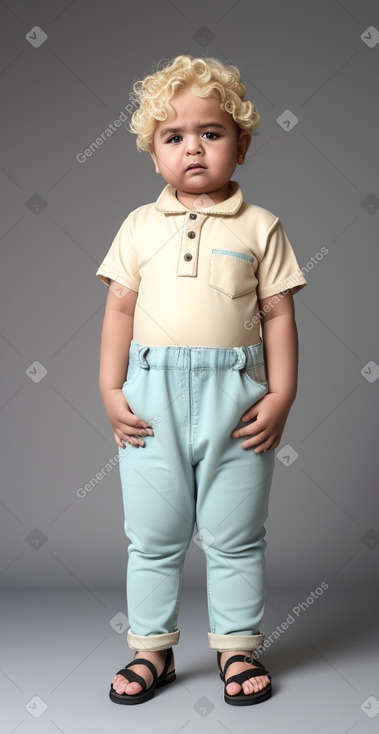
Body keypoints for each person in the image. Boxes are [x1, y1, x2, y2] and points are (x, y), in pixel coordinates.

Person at [96, 54, 307, 707]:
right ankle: (151, 650)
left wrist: (280, 394)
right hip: (151, 396)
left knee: (235, 531)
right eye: (174, 136)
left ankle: (236, 647)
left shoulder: (259, 227)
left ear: (240, 145)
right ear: (153, 152)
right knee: (153, 535)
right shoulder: (138, 226)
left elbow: (277, 315)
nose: (193, 148)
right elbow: (120, 310)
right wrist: (110, 390)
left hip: (236, 399)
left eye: (211, 134)